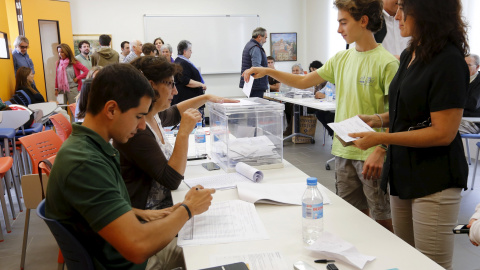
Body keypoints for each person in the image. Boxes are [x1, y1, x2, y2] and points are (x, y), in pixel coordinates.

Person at [243, 0, 397, 232]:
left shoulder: (387, 63)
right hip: (343, 151)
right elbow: (305, 81)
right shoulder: (341, 59)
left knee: (383, 219)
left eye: (343, 22)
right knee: (351, 217)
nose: (338, 29)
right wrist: (268, 71)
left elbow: (396, 114)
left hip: (372, 156)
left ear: (363, 21)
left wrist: (381, 149)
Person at [45, 63, 215, 270]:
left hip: (121, 252)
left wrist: (136, 212)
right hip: (130, 263)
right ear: (111, 109)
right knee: (209, 252)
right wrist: (188, 209)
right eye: (138, 116)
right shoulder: (84, 163)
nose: (142, 126)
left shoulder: (89, 147)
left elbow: (94, 207)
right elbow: (138, 246)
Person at [348, 0, 469, 268]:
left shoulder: (448, 60)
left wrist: (382, 138)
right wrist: (377, 119)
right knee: (406, 259)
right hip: (403, 173)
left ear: (428, 11)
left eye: (404, 8)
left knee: (429, 264)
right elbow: (409, 110)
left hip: (434, 178)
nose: (397, 15)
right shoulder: (410, 53)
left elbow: (442, 133)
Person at [114, 56, 237, 210]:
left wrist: (206, 98)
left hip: (166, 203)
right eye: (171, 84)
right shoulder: (138, 130)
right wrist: (183, 133)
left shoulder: (152, 116)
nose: (175, 91)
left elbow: (175, 112)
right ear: (152, 87)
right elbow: (171, 180)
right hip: (150, 211)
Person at [172, 40, 206, 107]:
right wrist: (201, 84)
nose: (191, 52)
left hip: (188, 100)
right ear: (184, 51)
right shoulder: (182, 63)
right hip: (188, 101)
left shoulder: (180, 61)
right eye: (190, 50)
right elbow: (186, 81)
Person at [239, 27, 269, 98]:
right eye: (265, 38)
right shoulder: (255, 48)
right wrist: (269, 71)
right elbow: (256, 67)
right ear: (259, 37)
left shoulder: (249, 45)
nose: (265, 40)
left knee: (251, 107)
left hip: (251, 84)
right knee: (256, 108)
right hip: (256, 85)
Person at [459, 54, 480, 134]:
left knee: (445, 131)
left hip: (474, 122)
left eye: (468, 65)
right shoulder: (458, 80)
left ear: (477, 67)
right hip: (458, 118)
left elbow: (472, 103)